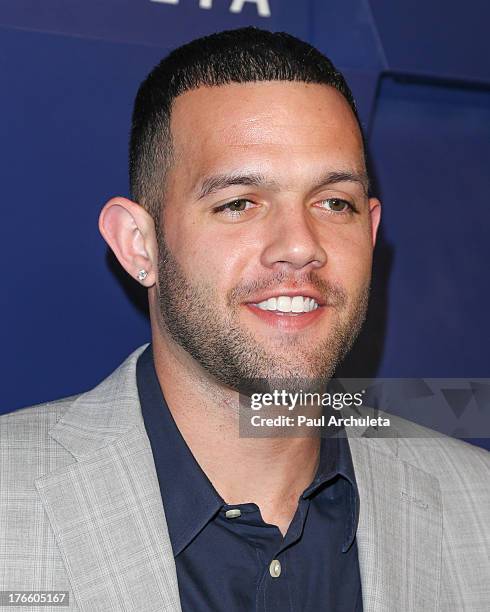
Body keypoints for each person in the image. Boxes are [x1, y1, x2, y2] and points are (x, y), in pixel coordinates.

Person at [1, 27, 488, 612]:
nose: (300, 246)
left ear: (372, 230)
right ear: (139, 245)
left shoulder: (477, 506)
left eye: (335, 202)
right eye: (239, 203)